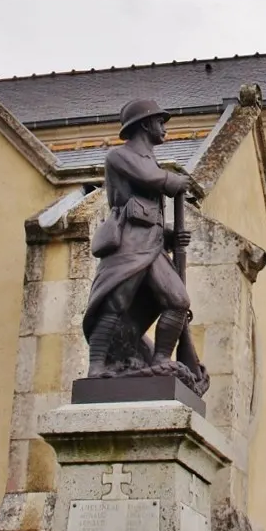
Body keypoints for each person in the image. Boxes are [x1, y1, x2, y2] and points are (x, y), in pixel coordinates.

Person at [82, 98, 195, 377]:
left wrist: (169, 236)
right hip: (129, 242)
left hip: (152, 245)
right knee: (115, 302)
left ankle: (160, 360)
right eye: (160, 122)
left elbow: (149, 209)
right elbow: (152, 179)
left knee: (178, 301)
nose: (164, 128)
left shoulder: (150, 159)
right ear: (145, 124)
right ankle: (96, 366)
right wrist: (175, 182)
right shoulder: (120, 156)